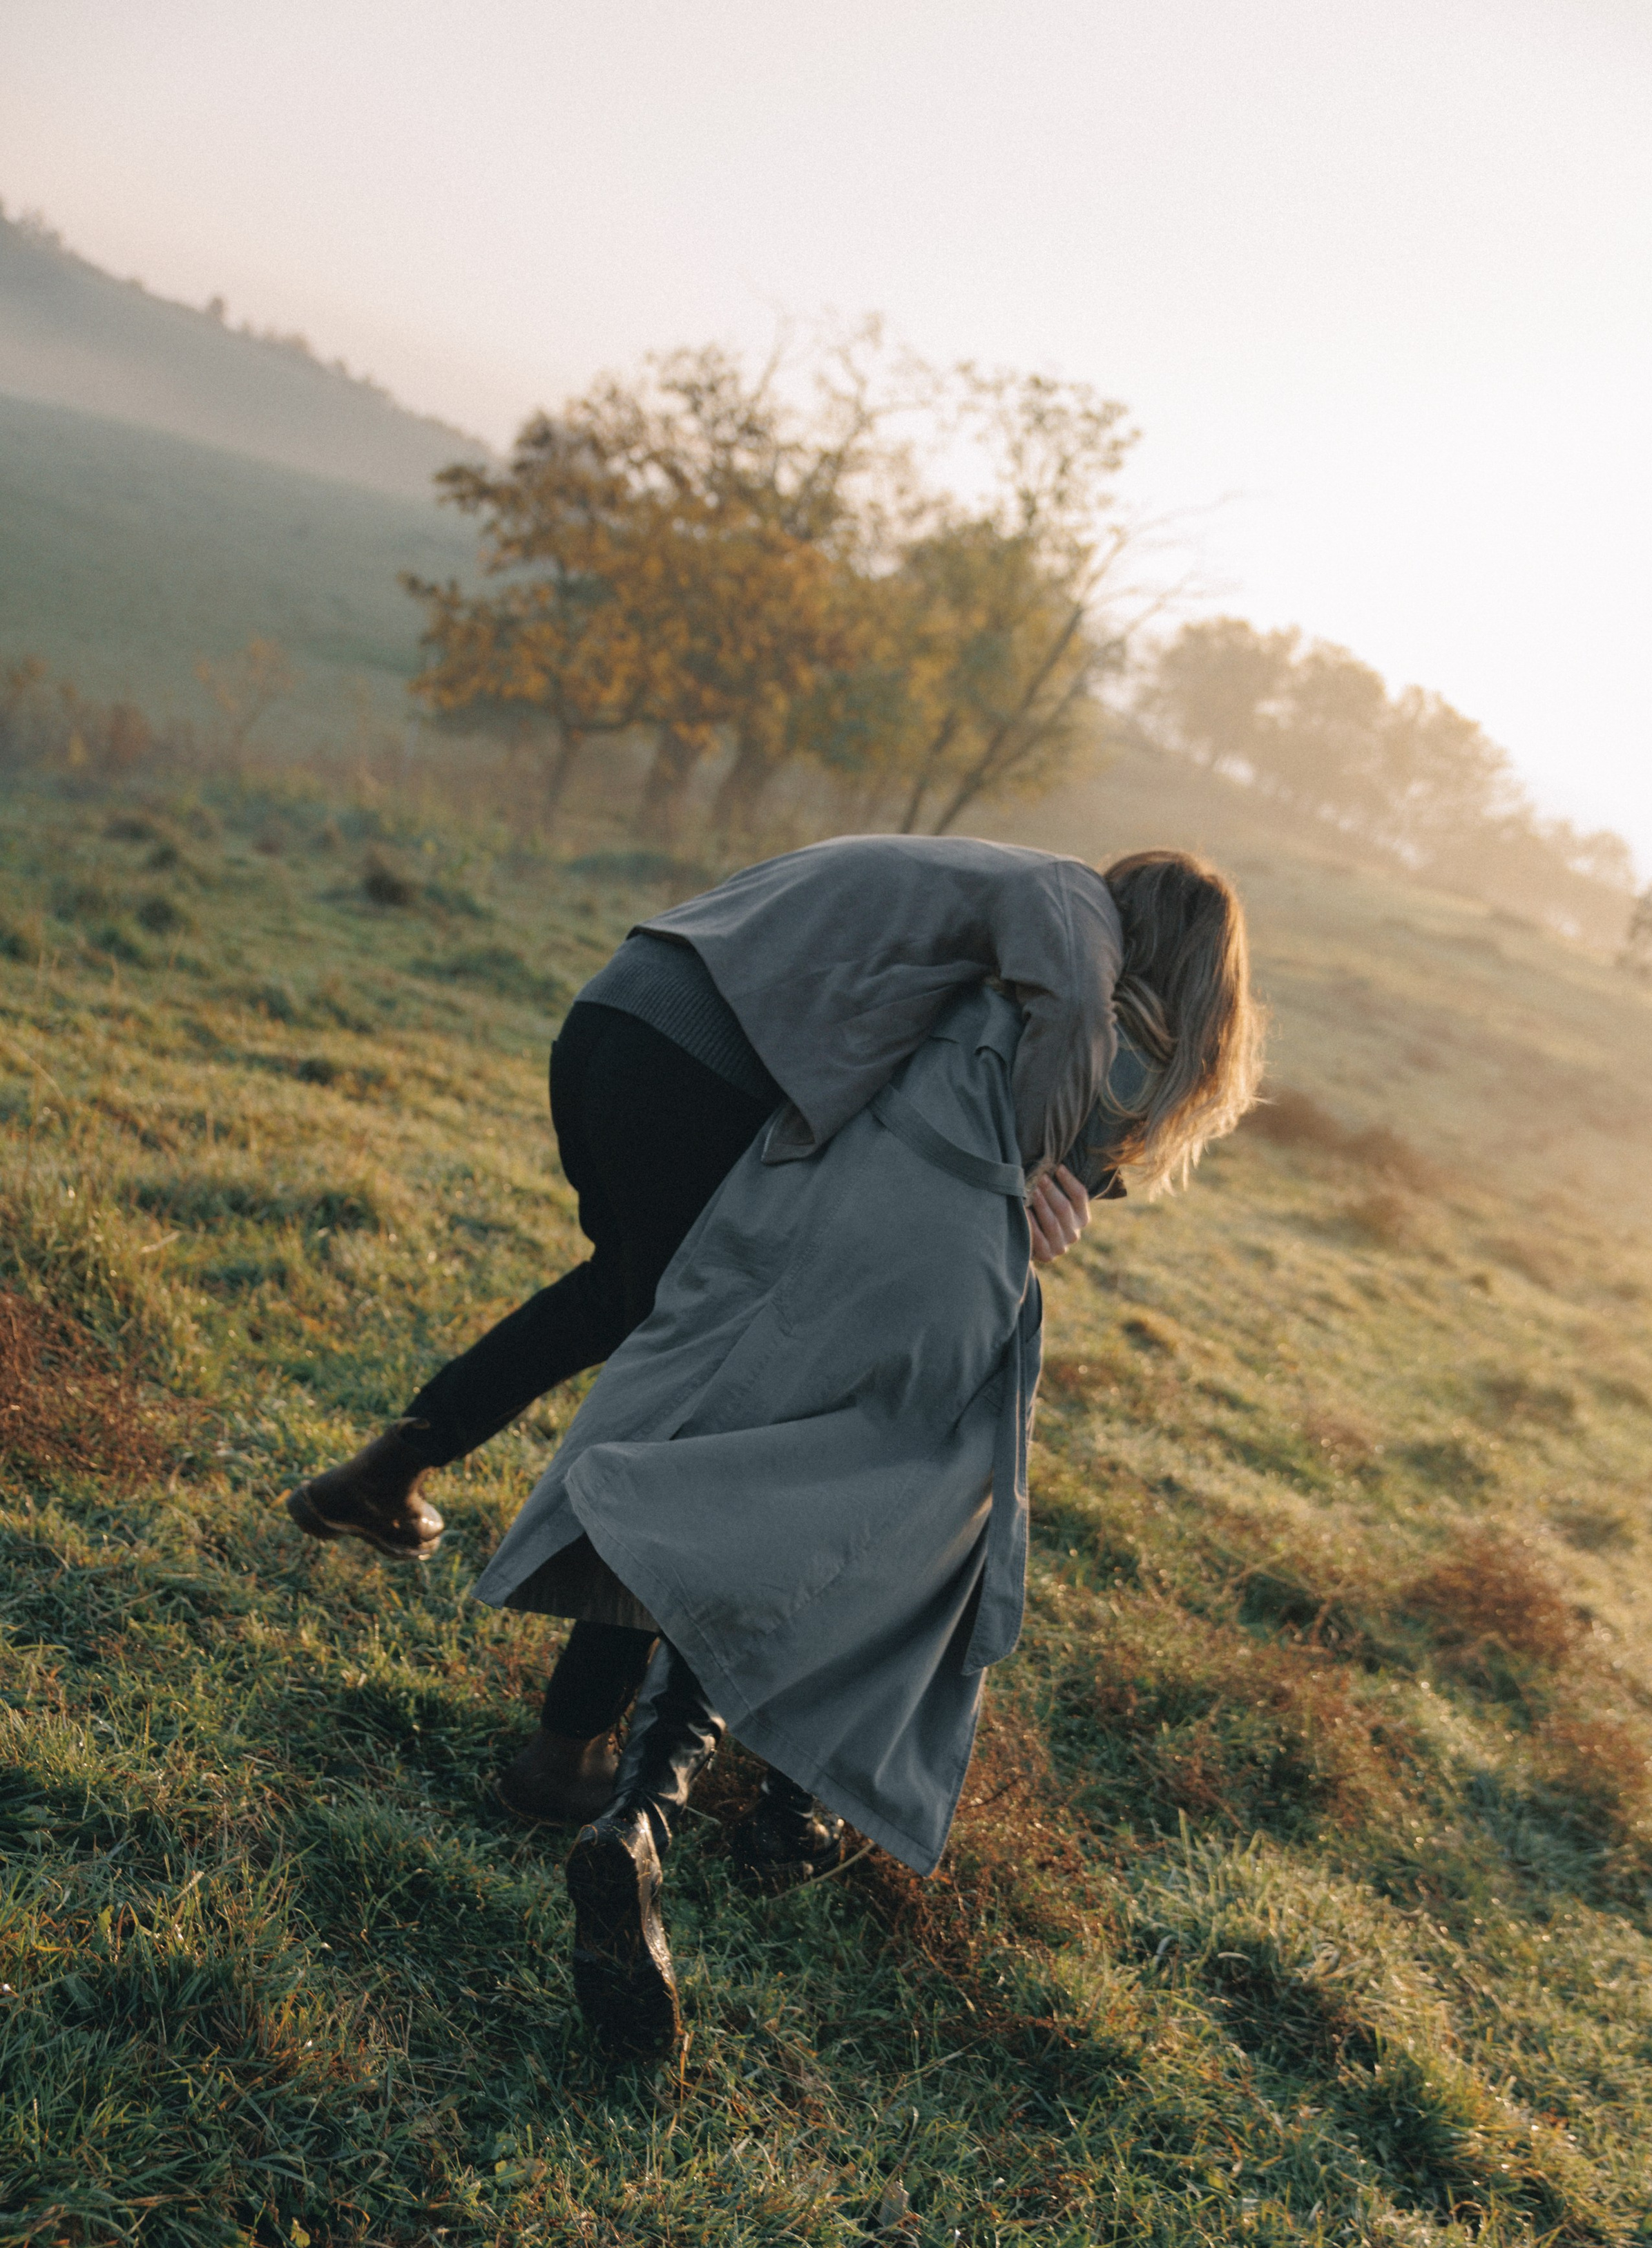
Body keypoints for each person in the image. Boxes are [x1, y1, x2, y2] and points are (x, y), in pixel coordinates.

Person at [282, 838, 1260, 2009]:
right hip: (734, 1096)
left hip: (624, 1016)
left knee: (645, 1334)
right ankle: (638, 1772)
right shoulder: (1065, 928)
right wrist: (1034, 1175)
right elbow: (1055, 1086)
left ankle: (412, 1503)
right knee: (747, 1470)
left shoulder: (975, 958)